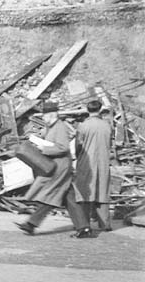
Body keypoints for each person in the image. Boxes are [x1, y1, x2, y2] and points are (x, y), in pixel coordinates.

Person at [15, 101, 91, 238]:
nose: (43, 118)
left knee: (51, 195)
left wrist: (44, 149)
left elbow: (63, 147)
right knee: (67, 196)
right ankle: (83, 227)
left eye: (44, 115)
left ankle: (31, 224)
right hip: (57, 165)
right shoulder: (52, 127)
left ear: (51, 114)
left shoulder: (60, 127)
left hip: (60, 166)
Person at [73, 99, 113, 232]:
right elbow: (110, 143)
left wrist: (78, 157)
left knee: (84, 192)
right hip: (103, 160)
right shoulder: (107, 125)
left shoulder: (83, 126)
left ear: (87, 110)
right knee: (102, 190)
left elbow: (78, 145)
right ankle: (105, 224)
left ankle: (84, 223)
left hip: (86, 161)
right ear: (100, 110)